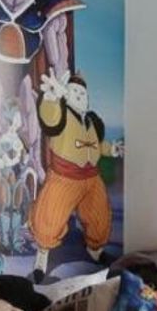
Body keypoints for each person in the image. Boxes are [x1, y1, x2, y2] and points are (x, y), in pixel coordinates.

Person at [29, 69, 123, 282]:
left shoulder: (91, 121)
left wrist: (112, 149)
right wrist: (52, 98)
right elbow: (50, 119)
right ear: (67, 94)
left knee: (99, 216)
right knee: (49, 217)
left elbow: (96, 145)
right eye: (75, 92)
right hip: (65, 177)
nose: (80, 96)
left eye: (83, 94)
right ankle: (42, 256)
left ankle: (95, 250)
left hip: (91, 178)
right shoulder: (62, 115)